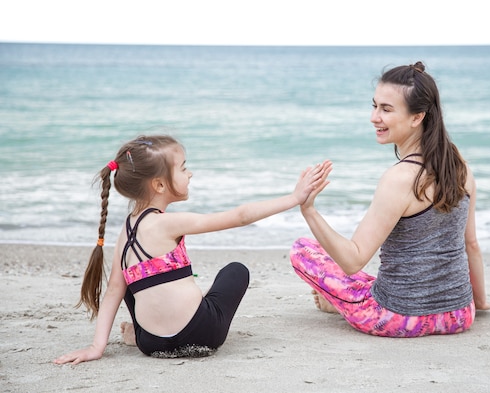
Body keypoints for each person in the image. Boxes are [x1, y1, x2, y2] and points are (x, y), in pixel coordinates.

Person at [54, 134, 331, 364]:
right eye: (184, 168)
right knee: (236, 271)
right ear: (160, 184)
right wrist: (295, 197)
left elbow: (114, 290)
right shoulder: (168, 222)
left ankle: (137, 333)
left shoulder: (125, 232)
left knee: (128, 281)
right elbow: (240, 216)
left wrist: (96, 347)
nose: (190, 173)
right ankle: (166, 320)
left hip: (151, 344)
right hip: (202, 333)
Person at [291, 61, 490, 338]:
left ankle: (334, 303)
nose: (374, 117)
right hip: (459, 315)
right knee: (370, 279)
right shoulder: (461, 168)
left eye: (386, 109)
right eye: (374, 106)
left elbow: (353, 261)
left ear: (417, 117)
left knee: (303, 249)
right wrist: (478, 303)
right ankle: (334, 300)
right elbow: (471, 245)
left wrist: (309, 209)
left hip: (397, 317)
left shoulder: (398, 179)